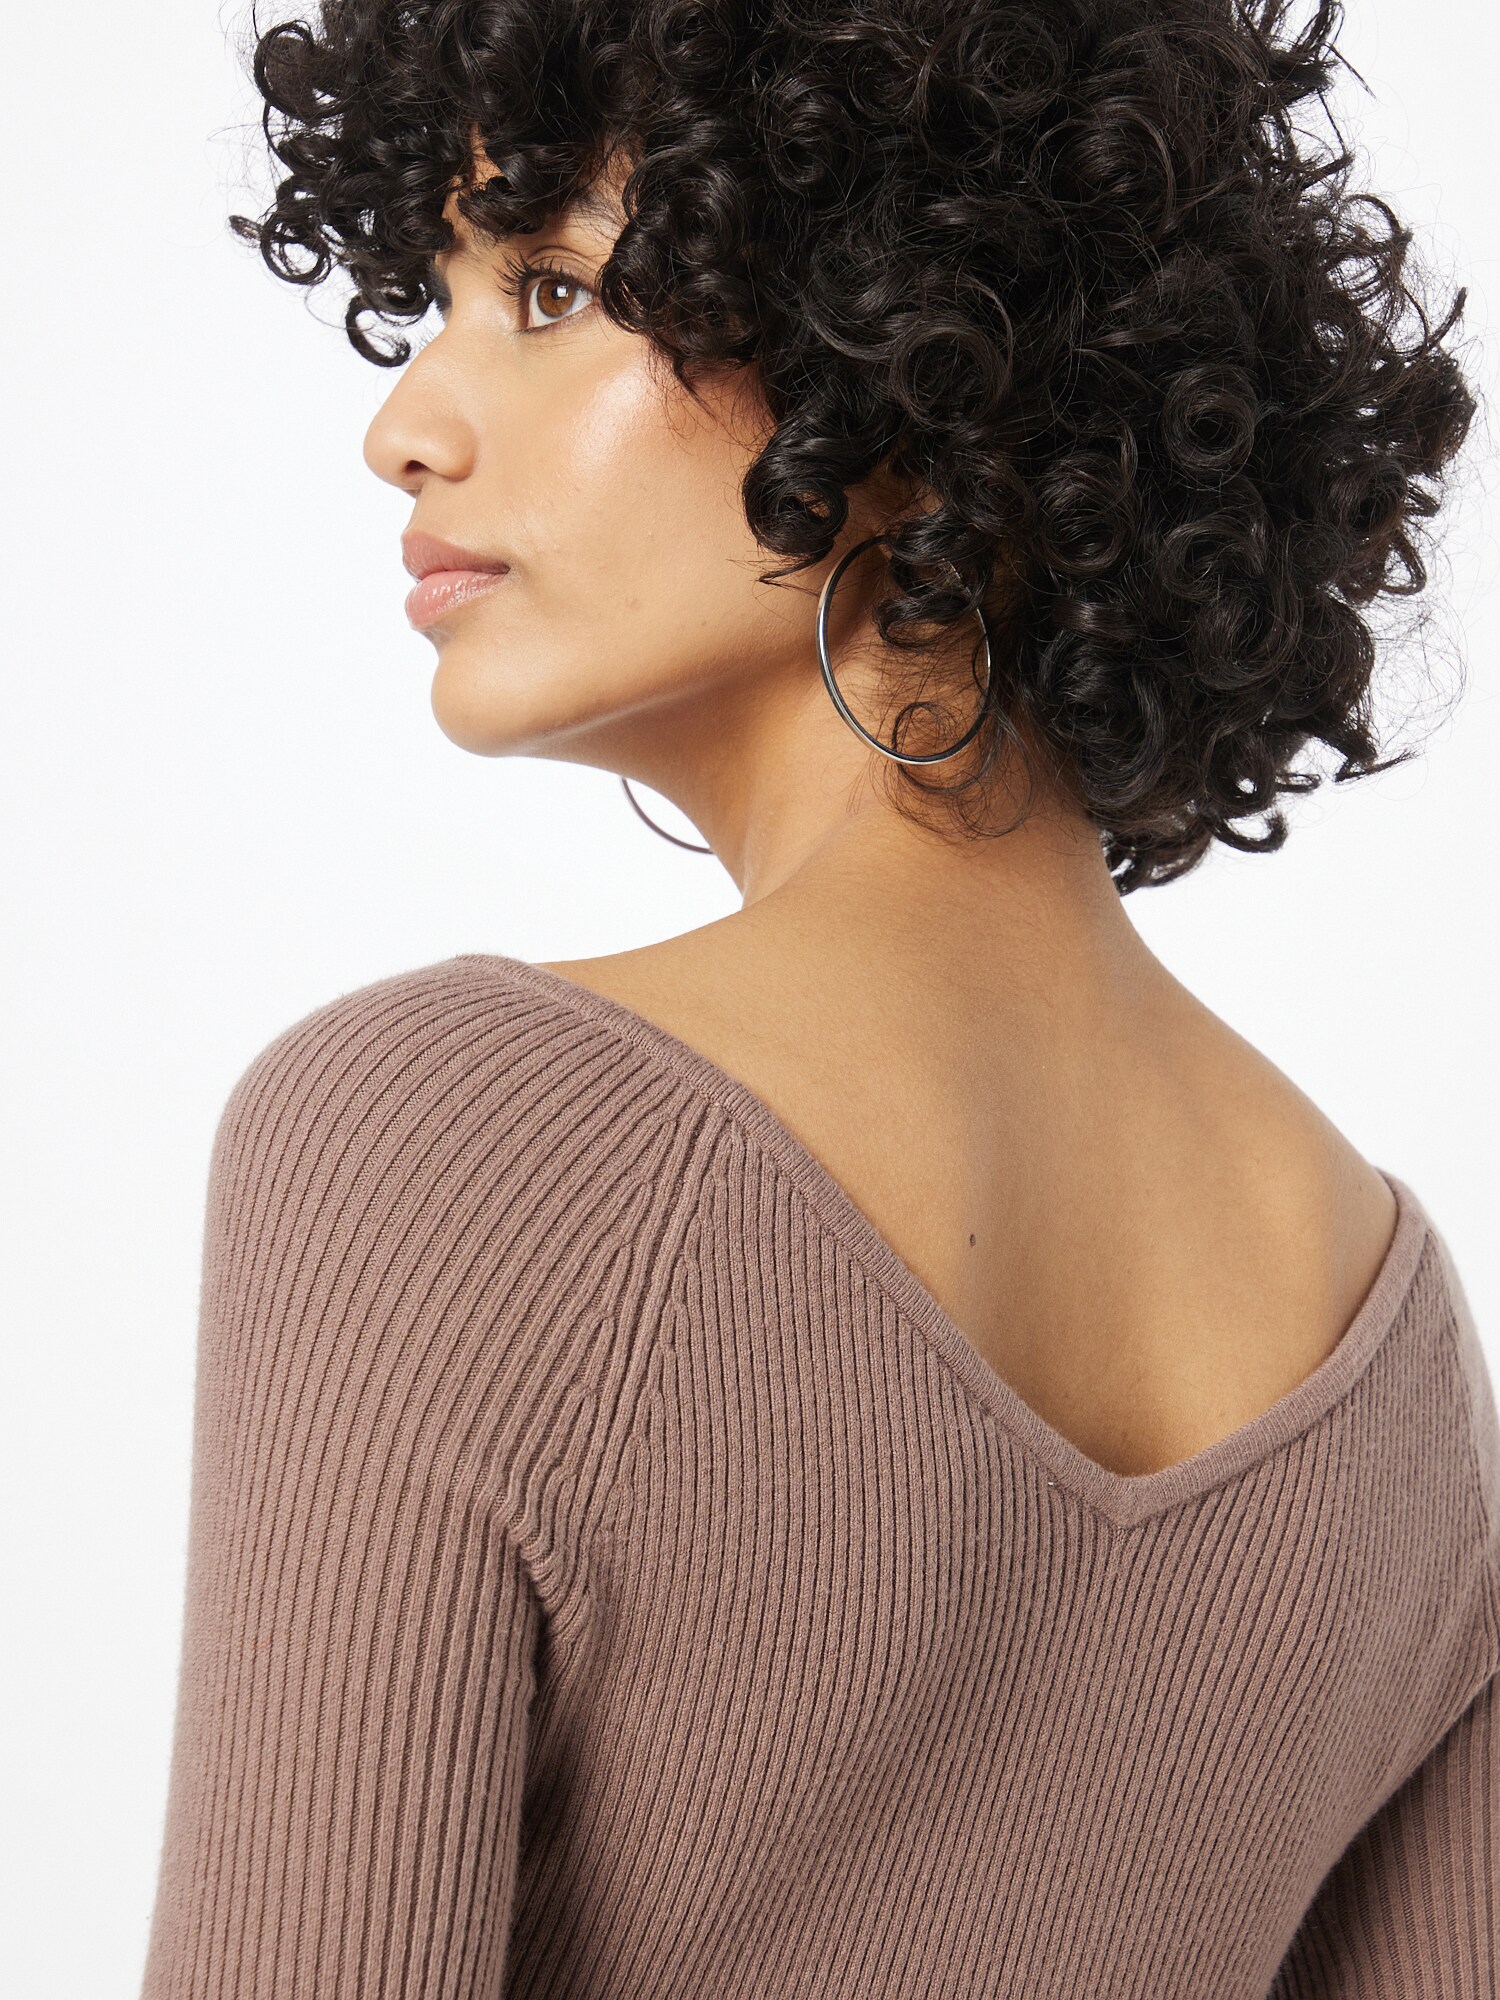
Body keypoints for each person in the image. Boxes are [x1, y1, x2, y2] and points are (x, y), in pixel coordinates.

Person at [140, 2, 1497, 1994]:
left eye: (548, 291)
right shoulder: (1393, 1341)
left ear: (912, 347)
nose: (405, 425)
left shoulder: (437, 1146)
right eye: (432, 302)